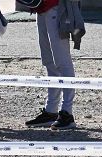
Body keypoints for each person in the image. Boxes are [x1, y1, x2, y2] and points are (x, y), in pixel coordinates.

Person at [22, 0, 78, 131]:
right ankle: (51, 111)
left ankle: (67, 113)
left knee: (63, 61)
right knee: (49, 61)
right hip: (41, 7)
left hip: (56, 6)